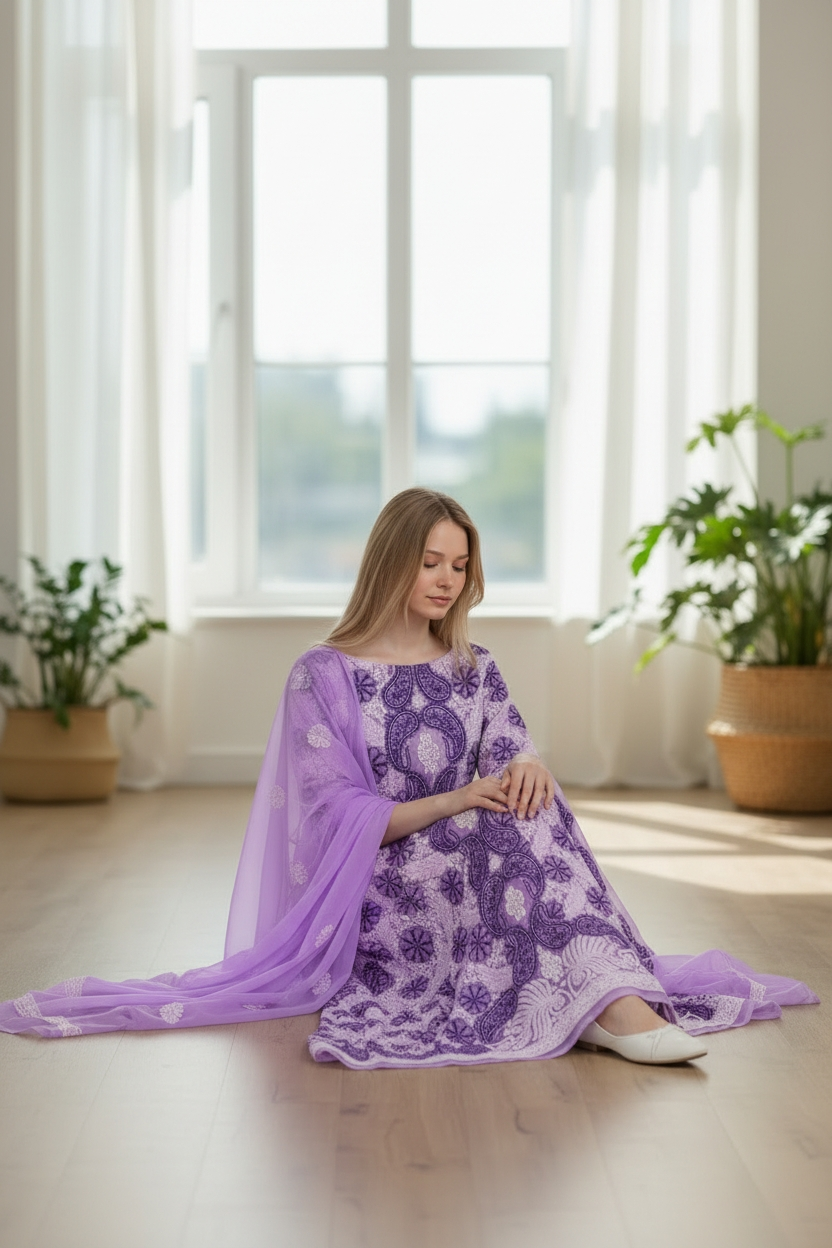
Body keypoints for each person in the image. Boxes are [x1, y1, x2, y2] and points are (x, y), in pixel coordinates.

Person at [0, 489, 818, 1064]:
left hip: (482, 855)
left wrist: (528, 766)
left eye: (459, 565)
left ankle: (599, 999)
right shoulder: (323, 675)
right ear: (392, 560)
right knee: (496, 825)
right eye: (431, 561)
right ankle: (606, 1004)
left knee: (530, 809)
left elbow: (512, 750)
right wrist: (456, 798)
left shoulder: (474, 665)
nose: (447, 579)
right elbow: (336, 821)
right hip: (386, 886)